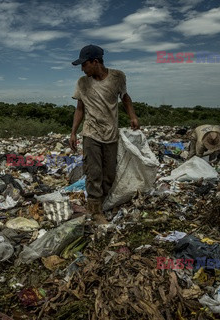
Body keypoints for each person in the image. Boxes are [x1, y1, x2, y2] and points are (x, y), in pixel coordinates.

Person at [69, 44, 139, 224]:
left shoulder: (117, 77)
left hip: (111, 133)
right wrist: (73, 132)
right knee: (93, 172)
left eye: (84, 65)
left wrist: (132, 116)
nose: (82, 69)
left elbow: (125, 97)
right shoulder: (82, 83)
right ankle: (95, 211)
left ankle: (104, 202)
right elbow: (80, 108)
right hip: (91, 132)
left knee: (109, 173)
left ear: (95, 62)